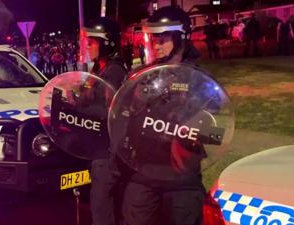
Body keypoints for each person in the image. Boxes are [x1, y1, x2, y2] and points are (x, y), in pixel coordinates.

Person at [119, 6, 205, 225]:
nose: (156, 46)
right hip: (143, 173)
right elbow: (123, 116)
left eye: (163, 39)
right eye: (153, 39)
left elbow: (209, 126)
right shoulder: (141, 76)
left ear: (181, 37)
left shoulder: (198, 79)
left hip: (181, 177)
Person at [82, 17, 127, 225]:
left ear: (106, 43)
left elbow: (111, 111)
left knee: (100, 202)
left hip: (108, 150)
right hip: (99, 146)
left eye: (92, 42)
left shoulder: (113, 71)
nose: (87, 46)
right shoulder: (100, 69)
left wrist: (83, 108)